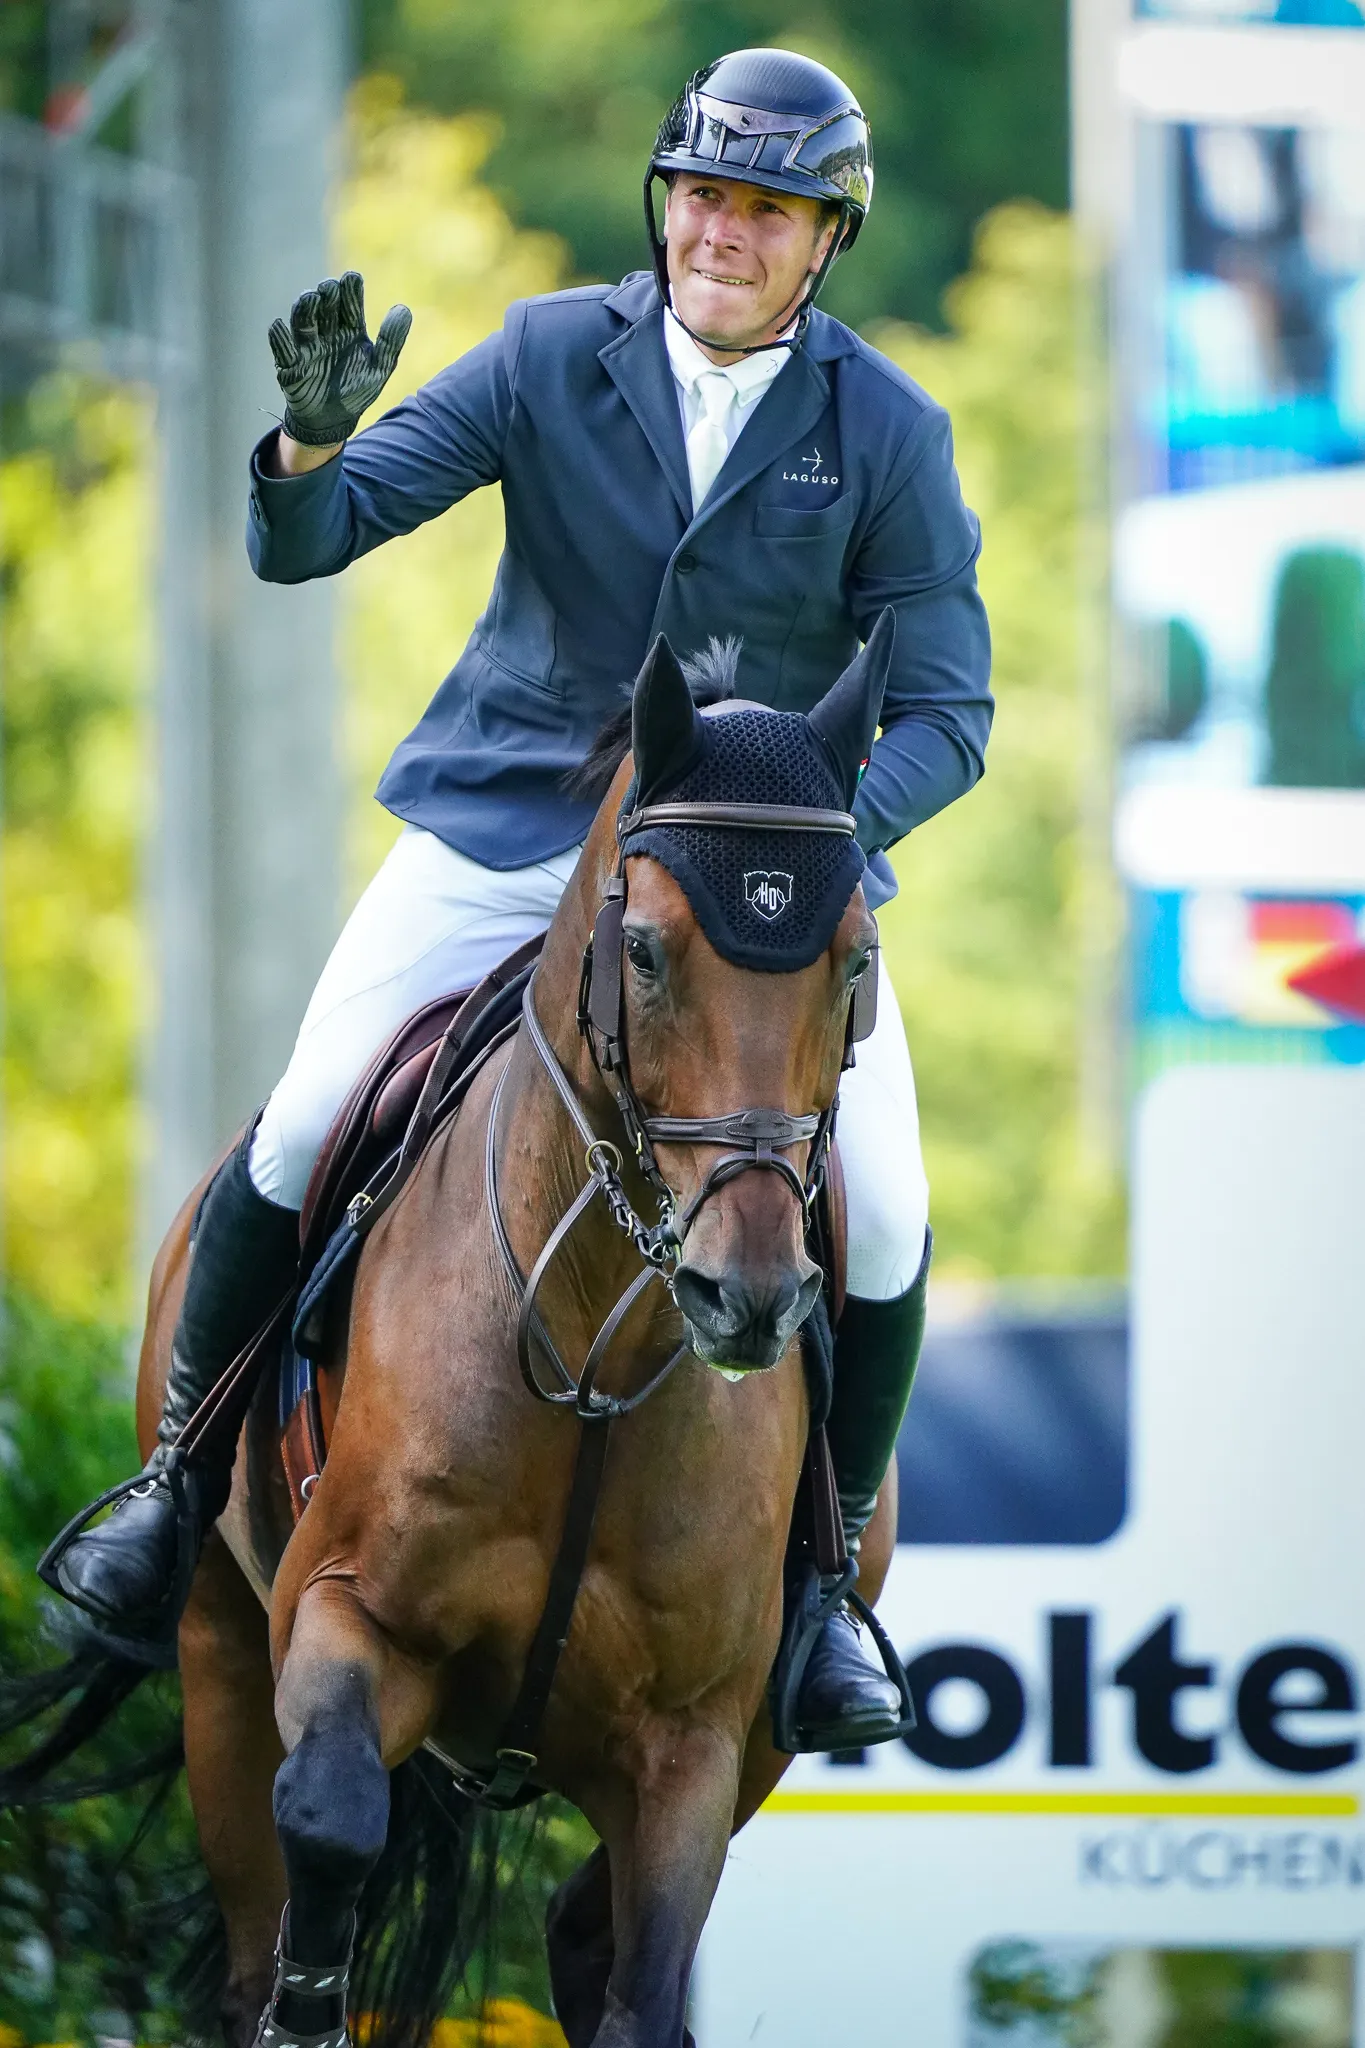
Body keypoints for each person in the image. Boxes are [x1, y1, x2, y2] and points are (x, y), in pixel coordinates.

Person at [54, 49, 992, 1751]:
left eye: (766, 208)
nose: (723, 229)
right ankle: (177, 1490)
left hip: (752, 906)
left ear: (823, 239)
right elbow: (311, 538)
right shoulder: (556, 357)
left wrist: (804, 832)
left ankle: (828, 1600)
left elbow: (952, 712)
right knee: (307, 1117)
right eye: (703, 193)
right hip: (505, 835)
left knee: (897, 1205)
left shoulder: (889, 434)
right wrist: (308, 439)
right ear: (669, 203)